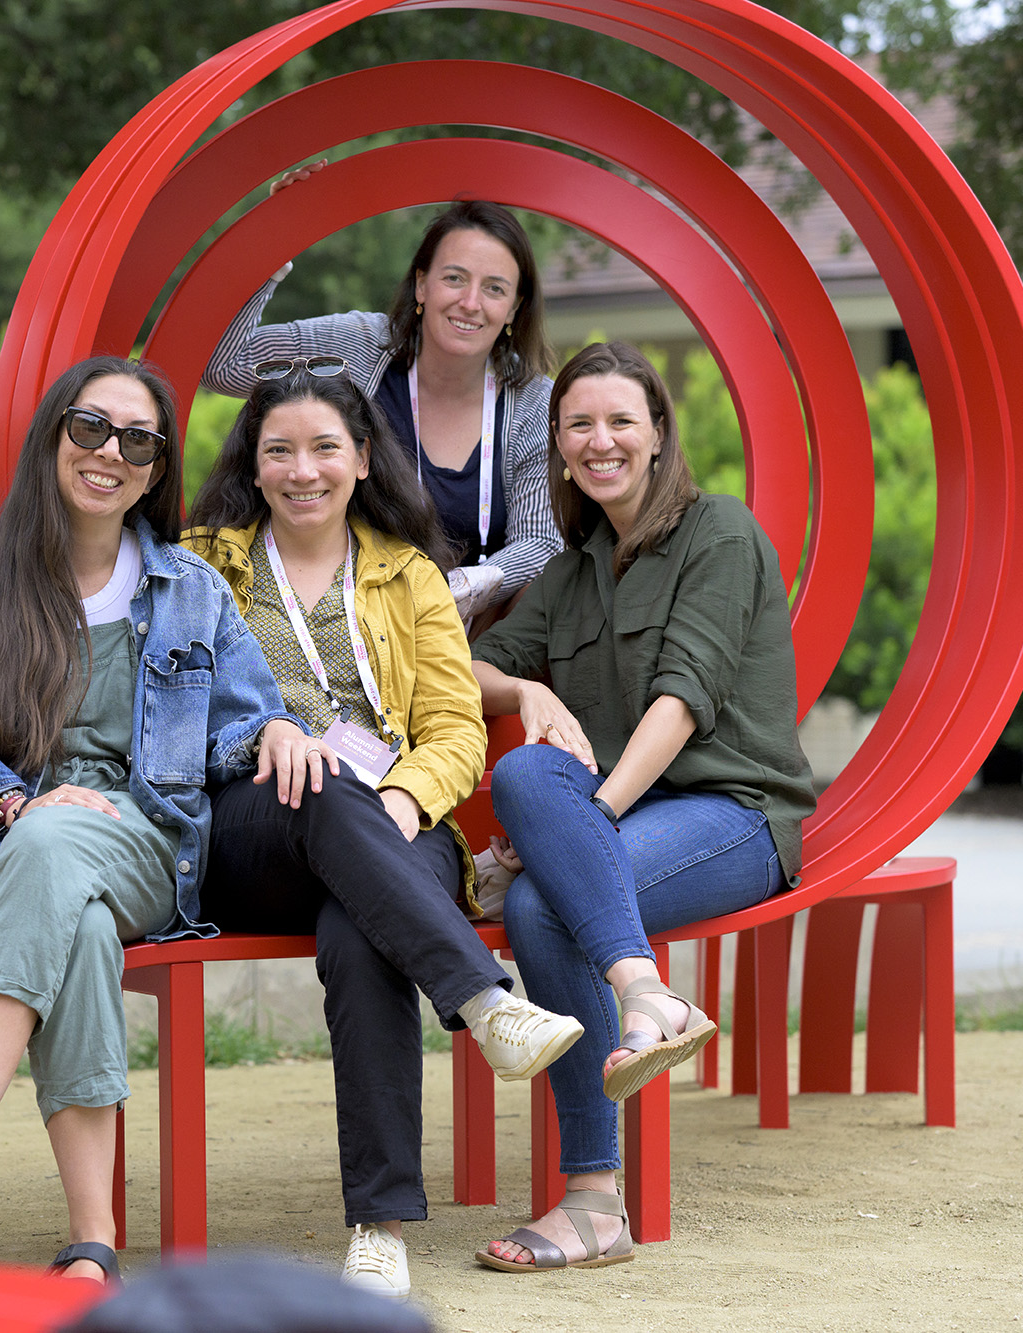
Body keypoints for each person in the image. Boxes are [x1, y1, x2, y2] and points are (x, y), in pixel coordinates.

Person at [0, 355, 306, 1285]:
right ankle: (94, 1239)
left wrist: (271, 730)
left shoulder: (189, 590)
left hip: (141, 845)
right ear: (53, 439)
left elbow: (242, 719)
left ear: (156, 469)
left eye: (137, 440)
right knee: (73, 920)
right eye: (89, 428)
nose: (109, 452)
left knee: (59, 848)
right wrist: (10, 800)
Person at [185, 362, 585, 1299]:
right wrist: (266, 737)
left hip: (391, 822)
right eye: (278, 449)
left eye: (325, 446)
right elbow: (169, 713)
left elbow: (452, 729)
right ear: (254, 463)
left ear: (363, 458)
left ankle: (379, 1226)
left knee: (360, 932)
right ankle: (487, 1004)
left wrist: (401, 805)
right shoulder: (204, 564)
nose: (302, 469)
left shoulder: (410, 574)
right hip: (252, 825)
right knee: (319, 780)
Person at [466, 342, 817, 1273]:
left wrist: (588, 826)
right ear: (560, 446)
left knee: (546, 895)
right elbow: (465, 667)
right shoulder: (576, 571)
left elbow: (682, 700)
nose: (600, 440)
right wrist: (521, 696)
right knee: (527, 776)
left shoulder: (722, 533)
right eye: (579, 424)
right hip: (619, 820)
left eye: (621, 420)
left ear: (658, 435)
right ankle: (647, 997)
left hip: (732, 813)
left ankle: (590, 1196)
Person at [203, 182, 560, 621]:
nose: (470, 303)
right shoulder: (361, 346)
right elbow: (224, 365)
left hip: (475, 634)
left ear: (514, 309)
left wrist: (461, 588)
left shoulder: (534, 402)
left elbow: (542, 542)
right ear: (422, 284)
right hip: (344, 620)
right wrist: (274, 244)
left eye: (494, 289)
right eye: (454, 278)